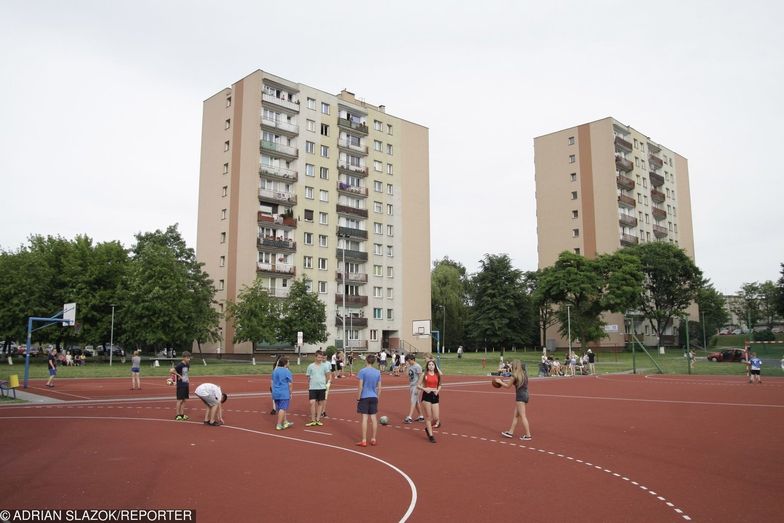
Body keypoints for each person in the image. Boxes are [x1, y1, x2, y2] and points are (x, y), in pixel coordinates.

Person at [495, 360, 532, 441]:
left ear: (514, 366)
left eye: (511, 365)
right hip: (526, 395)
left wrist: (500, 382)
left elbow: (508, 386)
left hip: (520, 397)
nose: (510, 366)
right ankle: (510, 432)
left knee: (523, 416)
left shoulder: (514, 376)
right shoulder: (524, 374)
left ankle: (528, 435)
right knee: (516, 415)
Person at [356, 354, 381, 447]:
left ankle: (364, 440)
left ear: (366, 361)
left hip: (364, 397)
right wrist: (377, 396)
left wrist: (358, 397)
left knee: (365, 419)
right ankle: (373, 438)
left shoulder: (362, 371)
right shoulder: (378, 372)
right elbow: (380, 388)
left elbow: (360, 386)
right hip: (374, 396)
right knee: (374, 418)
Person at [417, 359, 442, 442]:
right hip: (426, 395)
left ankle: (428, 427)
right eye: (429, 365)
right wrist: (425, 388)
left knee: (436, 418)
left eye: (432, 365)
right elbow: (418, 385)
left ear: (435, 366)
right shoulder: (424, 375)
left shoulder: (437, 374)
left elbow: (440, 385)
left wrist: (437, 391)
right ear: (427, 366)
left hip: (435, 395)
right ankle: (431, 436)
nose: (431, 366)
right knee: (428, 417)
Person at [305, 350, 332, 426]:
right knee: (312, 402)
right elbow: (308, 376)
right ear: (315, 357)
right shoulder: (310, 366)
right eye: (319, 357)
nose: (320, 359)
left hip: (322, 387)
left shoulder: (325, 366)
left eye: (321, 357)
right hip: (312, 387)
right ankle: (313, 420)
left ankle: (318, 419)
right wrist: (311, 382)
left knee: (320, 403)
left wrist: (325, 383)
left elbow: (328, 375)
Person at [271, 357, 294, 430]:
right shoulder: (287, 371)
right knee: (283, 408)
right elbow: (290, 384)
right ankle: (279, 424)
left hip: (275, 392)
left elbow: (272, 381)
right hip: (284, 392)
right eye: (288, 362)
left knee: (280, 408)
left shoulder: (275, 371)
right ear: (285, 363)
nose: (289, 363)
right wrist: (290, 393)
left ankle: (285, 422)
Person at [403, 354, 424, 423]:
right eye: (407, 361)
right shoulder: (410, 366)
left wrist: (418, 387)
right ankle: (421, 416)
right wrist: (407, 366)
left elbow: (421, 377)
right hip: (411, 385)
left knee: (413, 400)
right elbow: (406, 375)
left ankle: (409, 417)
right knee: (416, 401)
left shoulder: (417, 366)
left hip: (416, 386)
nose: (408, 362)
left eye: (409, 361)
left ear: (413, 359)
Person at [174, 351, 191, 421]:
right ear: (183, 358)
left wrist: (187, 378)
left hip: (185, 384)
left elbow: (186, 373)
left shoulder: (187, 365)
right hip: (180, 384)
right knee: (179, 400)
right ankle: (177, 415)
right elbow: (171, 370)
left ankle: (182, 414)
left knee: (184, 400)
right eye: (187, 358)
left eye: (189, 358)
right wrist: (179, 375)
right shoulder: (180, 365)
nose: (189, 359)